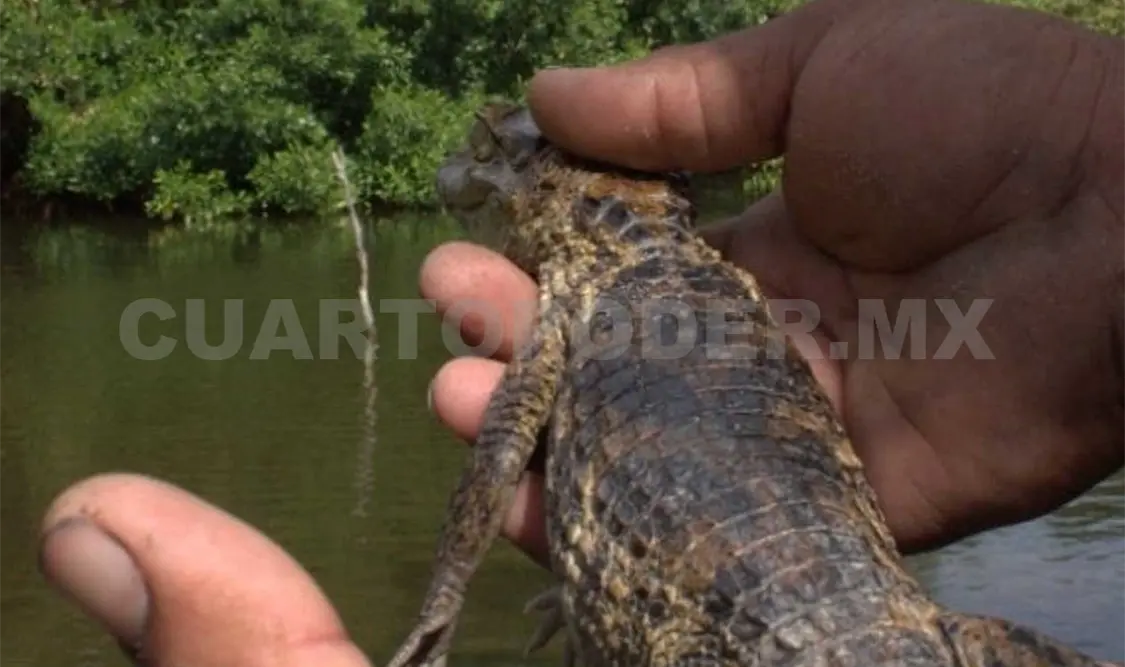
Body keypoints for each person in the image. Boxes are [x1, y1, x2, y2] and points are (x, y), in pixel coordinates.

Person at [37, 0, 1125, 663]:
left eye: (492, 152)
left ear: (537, 192)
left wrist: (441, 602)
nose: (473, 166)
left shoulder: (573, 314)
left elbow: (498, 463)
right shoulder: (738, 292)